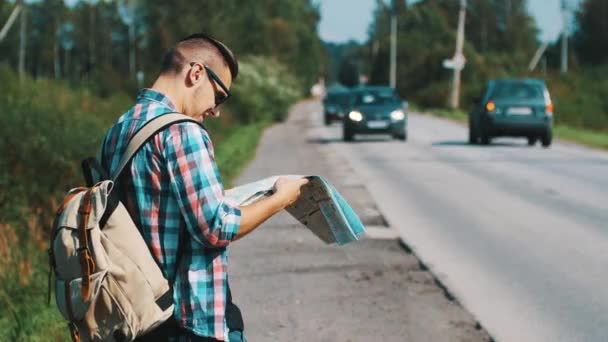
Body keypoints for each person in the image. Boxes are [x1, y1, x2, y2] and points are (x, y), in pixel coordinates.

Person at [99, 33, 308, 342]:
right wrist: (282, 198)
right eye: (219, 95)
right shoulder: (182, 131)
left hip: (137, 316)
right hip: (190, 320)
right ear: (196, 73)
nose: (216, 110)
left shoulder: (120, 128)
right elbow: (217, 227)